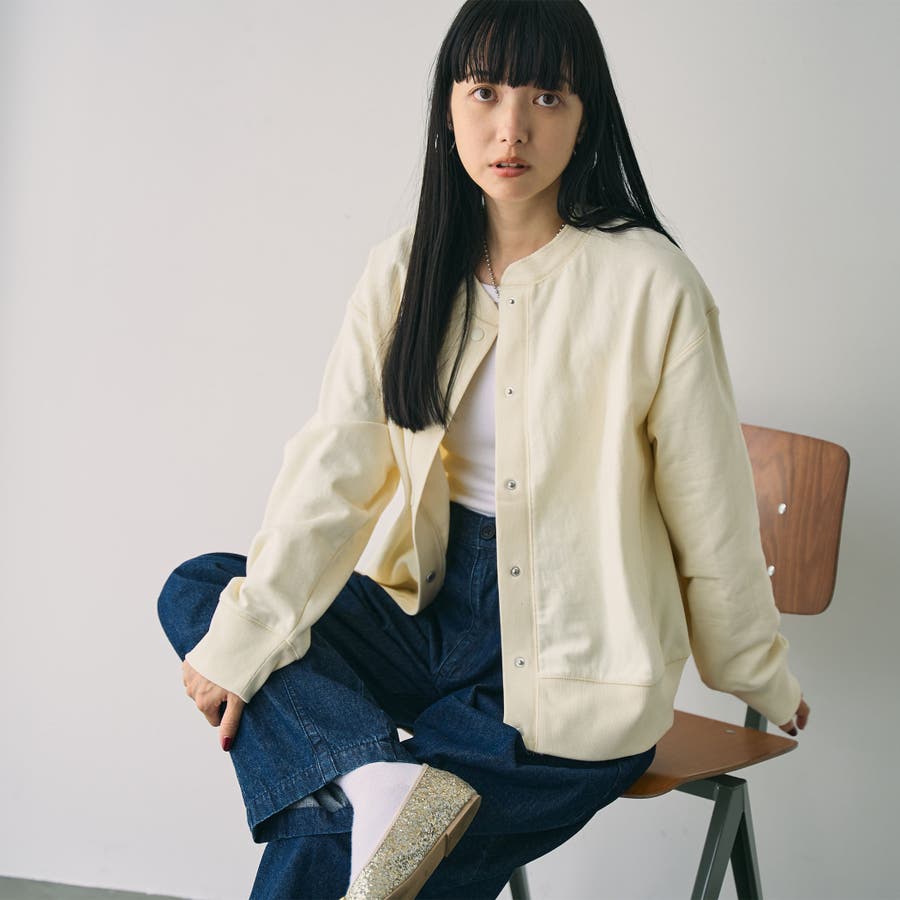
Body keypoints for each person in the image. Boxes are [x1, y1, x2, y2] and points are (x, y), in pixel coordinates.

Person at [157, 1, 811, 897]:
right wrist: (243, 643)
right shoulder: (405, 269)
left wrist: (758, 673)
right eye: (485, 92)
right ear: (448, 106)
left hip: (578, 657)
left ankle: (361, 791)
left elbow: (714, 512)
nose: (512, 129)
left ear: (586, 117)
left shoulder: (652, 284)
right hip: (427, 620)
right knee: (201, 594)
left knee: (347, 850)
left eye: (547, 96)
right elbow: (334, 471)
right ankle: (368, 776)